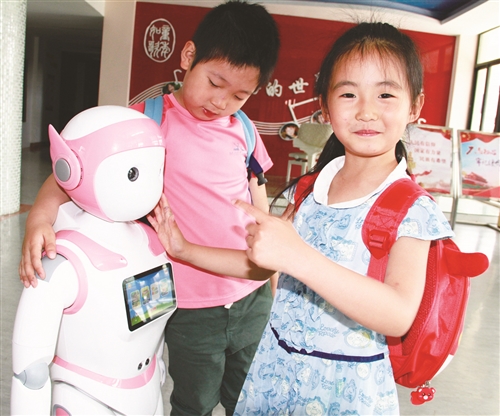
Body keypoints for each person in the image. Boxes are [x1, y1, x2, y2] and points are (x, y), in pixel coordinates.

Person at [18, 1, 280, 414]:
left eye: (239, 95)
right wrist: (38, 220)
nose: (221, 101)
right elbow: (66, 176)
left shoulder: (244, 130)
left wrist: (273, 279)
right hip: (188, 305)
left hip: (251, 296)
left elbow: (260, 209)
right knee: (193, 401)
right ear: (189, 56)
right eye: (215, 82)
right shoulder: (145, 123)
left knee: (251, 399)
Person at [226, 22, 454, 414]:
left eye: (385, 94)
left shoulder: (411, 208)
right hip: (276, 373)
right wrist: (183, 248)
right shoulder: (310, 188)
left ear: (414, 106)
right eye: (348, 93)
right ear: (325, 106)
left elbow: (398, 314)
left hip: (346, 392)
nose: (366, 111)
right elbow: (268, 266)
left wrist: (297, 257)